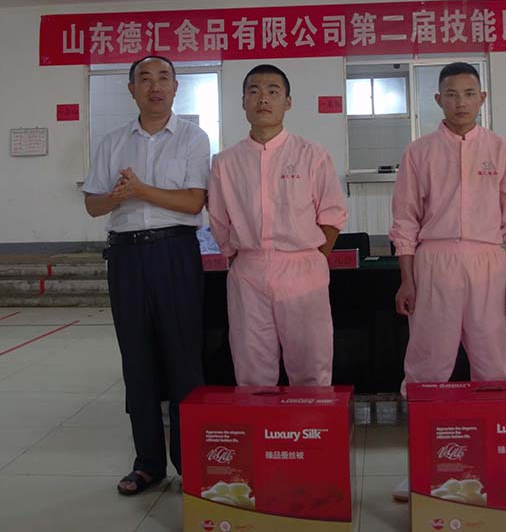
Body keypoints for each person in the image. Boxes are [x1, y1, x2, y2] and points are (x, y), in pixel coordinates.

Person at [83, 55, 210, 495]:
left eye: (163, 78)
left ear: (176, 88)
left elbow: (193, 202)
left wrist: (140, 190)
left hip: (175, 252)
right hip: (126, 258)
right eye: (145, 79)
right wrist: (117, 197)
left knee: (184, 359)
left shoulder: (193, 138)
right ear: (131, 89)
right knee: (136, 360)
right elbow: (93, 204)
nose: (155, 87)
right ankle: (148, 464)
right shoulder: (112, 141)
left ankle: (192, 463)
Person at [390, 61, 506, 391]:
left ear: (482, 98)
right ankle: (422, 417)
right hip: (435, 261)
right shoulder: (419, 152)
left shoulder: (501, 150)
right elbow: (405, 220)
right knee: (429, 358)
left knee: (492, 358)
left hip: (489, 261)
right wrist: (407, 280)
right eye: (451, 95)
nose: (461, 102)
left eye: (468, 94)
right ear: (438, 100)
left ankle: (494, 418)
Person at [207, 64, 347, 387]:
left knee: (311, 364)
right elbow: (218, 219)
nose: (263, 99)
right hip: (249, 270)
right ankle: (261, 421)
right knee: (252, 367)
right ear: (243, 102)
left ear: (288, 101)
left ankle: (312, 420)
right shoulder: (225, 162)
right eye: (254, 91)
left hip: (303, 268)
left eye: (273, 91)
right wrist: (239, 258)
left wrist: (312, 259)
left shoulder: (312, 155)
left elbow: (332, 215)